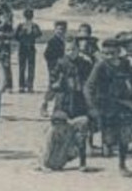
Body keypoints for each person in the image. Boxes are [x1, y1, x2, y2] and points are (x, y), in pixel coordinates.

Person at [39, 36, 93, 172]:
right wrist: (46, 100)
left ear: (78, 49)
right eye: (67, 49)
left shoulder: (85, 64)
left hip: (79, 101)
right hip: (63, 101)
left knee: (81, 132)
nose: (70, 52)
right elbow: (52, 82)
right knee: (56, 130)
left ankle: (82, 162)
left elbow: (91, 83)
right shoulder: (61, 63)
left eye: (73, 49)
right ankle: (47, 160)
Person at [87, 39, 132, 176]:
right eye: (105, 53)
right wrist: (92, 106)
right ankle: (106, 144)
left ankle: (122, 165)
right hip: (106, 104)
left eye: (112, 53)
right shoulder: (100, 66)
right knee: (110, 138)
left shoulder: (125, 64)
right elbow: (88, 87)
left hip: (123, 104)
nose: (108, 56)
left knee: (124, 135)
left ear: (118, 52)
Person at [14, 8, 42, 94]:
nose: (28, 18)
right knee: (23, 68)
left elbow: (39, 34)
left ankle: (28, 86)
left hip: (29, 48)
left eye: (29, 16)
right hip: (24, 48)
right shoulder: (21, 25)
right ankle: (23, 86)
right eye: (27, 16)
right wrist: (23, 32)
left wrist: (32, 31)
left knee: (30, 68)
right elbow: (16, 36)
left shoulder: (34, 26)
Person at [42, 20, 69, 97]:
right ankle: (46, 101)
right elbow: (46, 54)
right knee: (53, 82)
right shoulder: (52, 41)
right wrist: (54, 62)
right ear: (55, 30)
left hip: (63, 64)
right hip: (54, 65)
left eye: (62, 29)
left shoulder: (65, 41)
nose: (60, 31)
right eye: (58, 29)